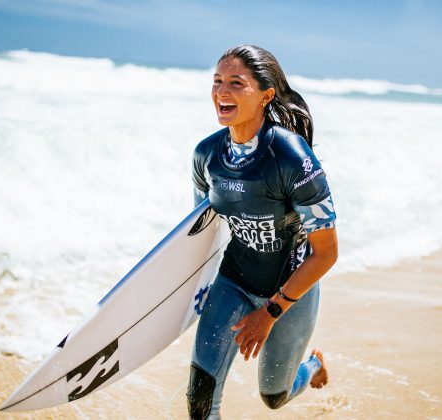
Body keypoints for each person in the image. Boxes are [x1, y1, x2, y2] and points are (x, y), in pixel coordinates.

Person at [188, 45, 338, 419]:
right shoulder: (206, 156)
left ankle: (314, 366)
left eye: (237, 84)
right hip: (233, 281)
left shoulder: (291, 157)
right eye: (218, 81)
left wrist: (270, 312)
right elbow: (199, 233)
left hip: (292, 289)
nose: (222, 92)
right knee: (200, 403)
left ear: (265, 95)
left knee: (274, 397)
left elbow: (326, 253)